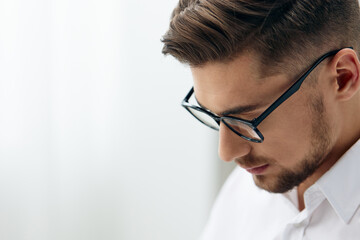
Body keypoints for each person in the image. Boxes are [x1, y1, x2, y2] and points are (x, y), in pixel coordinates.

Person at [161, 0, 360, 239]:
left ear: (343, 77)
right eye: (215, 115)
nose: (226, 152)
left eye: (248, 118)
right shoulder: (242, 192)